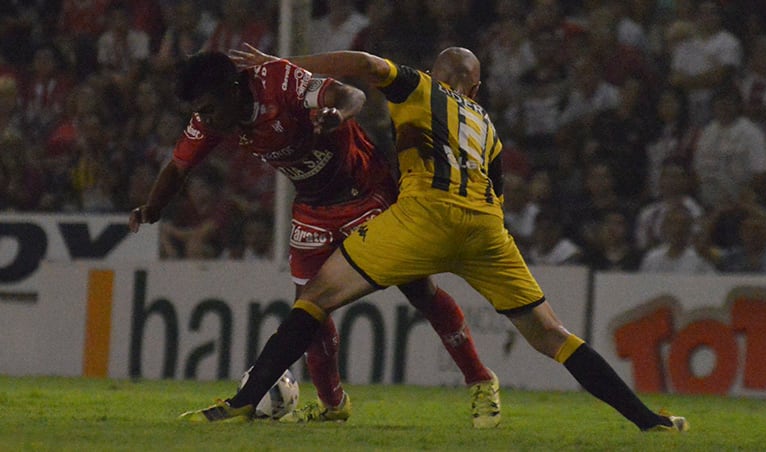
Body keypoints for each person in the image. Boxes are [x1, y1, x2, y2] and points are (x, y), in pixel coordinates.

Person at [188, 44, 689, 432]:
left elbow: (360, 63)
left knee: (317, 297)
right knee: (550, 335)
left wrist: (281, 64)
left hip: (425, 216)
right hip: (486, 228)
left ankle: (241, 402)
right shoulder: (488, 125)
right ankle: (649, 420)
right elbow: (496, 187)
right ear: (477, 85)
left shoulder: (419, 87)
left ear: (438, 72)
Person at [129, 51, 499, 427]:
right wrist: (152, 208)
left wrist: (338, 114)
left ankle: (480, 380)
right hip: (313, 209)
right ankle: (333, 405)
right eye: (200, 112)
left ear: (234, 89)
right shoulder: (211, 118)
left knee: (418, 290)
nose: (205, 120)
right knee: (309, 311)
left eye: (209, 109)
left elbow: (351, 94)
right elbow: (178, 167)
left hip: (367, 193)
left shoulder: (279, 82)